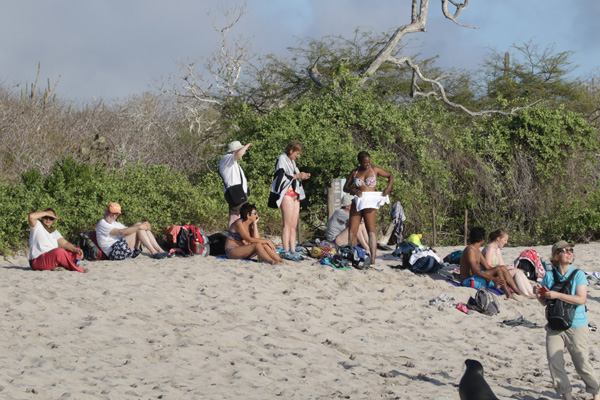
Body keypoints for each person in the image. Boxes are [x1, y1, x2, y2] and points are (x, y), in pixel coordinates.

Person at [534, 240, 600, 400]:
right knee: (554, 362)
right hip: (555, 324)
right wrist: (539, 295)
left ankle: (596, 393)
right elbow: (546, 302)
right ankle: (567, 396)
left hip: (576, 324)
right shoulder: (549, 275)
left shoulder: (578, 274)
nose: (570, 253)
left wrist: (557, 295)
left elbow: (581, 299)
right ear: (556, 255)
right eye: (566, 250)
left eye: (571, 250)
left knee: (581, 363)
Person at [343, 151, 393, 264]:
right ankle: (353, 254)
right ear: (360, 162)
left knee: (370, 230)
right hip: (358, 201)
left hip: (370, 202)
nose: (368, 164)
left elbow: (390, 175)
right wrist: (353, 190)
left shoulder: (374, 170)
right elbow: (345, 187)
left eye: (369, 162)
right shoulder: (355, 172)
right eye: (365, 163)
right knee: (352, 230)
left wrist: (388, 188)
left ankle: (373, 257)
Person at [268, 140, 311, 252]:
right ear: (291, 150)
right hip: (286, 193)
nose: (298, 155)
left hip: (295, 193)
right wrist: (297, 175)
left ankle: (293, 250)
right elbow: (281, 176)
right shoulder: (282, 159)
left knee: (293, 225)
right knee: (287, 224)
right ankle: (286, 250)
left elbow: (294, 176)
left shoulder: (292, 162)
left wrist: (303, 176)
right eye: (297, 153)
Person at [459, 227, 525, 299]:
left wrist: (503, 270)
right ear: (482, 239)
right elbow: (475, 271)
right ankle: (508, 293)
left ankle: (517, 292)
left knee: (501, 268)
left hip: (476, 277)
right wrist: (492, 278)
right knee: (498, 269)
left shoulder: (477, 250)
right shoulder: (470, 250)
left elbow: (487, 267)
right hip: (469, 280)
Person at [96, 202, 168, 260]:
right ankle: (154, 252)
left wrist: (145, 226)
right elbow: (121, 232)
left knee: (139, 226)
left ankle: (160, 250)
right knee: (138, 226)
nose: (114, 216)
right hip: (115, 253)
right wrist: (140, 226)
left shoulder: (116, 223)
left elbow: (129, 230)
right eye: (112, 213)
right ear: (106, 211)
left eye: (116, 214)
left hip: (127, 250)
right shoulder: (102, 224)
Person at [482, 228, 535, 298]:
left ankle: (530, 292)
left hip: (498, 273)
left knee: (518, 271)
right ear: (498, 239)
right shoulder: (490, 248)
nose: (506, 242)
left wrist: (509, 267)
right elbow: (488, 267)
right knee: (517, 272)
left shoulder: (497, 249)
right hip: (491, 278)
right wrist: (507, 268)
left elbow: (502, 265)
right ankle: (525, 294)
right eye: (505, 240)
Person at [28, 208, 84, 273]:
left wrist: (76, 250)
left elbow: (65, 243)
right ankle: (75, 268)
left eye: (51, 218)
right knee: (59, 252)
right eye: (46, 217)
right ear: (42, 217)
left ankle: (64, 265)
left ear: (54, 220)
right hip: (38, 260)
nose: (48, 220)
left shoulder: (54, 231)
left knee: (75, 252)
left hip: (52, 258)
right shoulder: (37, 225)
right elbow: (31, 216)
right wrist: (46, 213)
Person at [219, 141, 253, 228]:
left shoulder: (233, 163)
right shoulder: (226, 158)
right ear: (234, 150)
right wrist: (246, 146)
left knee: (243, 215)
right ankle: (232, 237)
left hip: (240, 191)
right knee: (235, 216)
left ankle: (239, 237)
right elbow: (239, 154)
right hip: (235, 191)